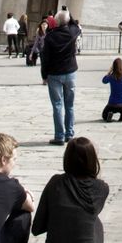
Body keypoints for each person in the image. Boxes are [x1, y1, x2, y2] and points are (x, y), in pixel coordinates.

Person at [32, 137, 109, 243]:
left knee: (91, 221)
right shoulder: (101, 188)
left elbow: (37, 228)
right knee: (93, 221)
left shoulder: (55, 183)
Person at [41, 10, 80, 144]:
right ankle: (69, 134)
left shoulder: (50, 37)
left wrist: (44, 75)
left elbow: (44, 58)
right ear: (68, 21)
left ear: (56, 22)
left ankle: (59, 136)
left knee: (57, 105)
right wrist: (68, 13)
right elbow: (75, 25)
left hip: (54, 74)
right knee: (69, 106)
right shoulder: (72, 33)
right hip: (70, 73)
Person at [101, 58, 122, 123]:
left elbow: (103, 81)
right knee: (121, 108)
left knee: (104, 115)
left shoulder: (112, 76)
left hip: (112, 104)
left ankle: (110, 113)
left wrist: (109, 72)